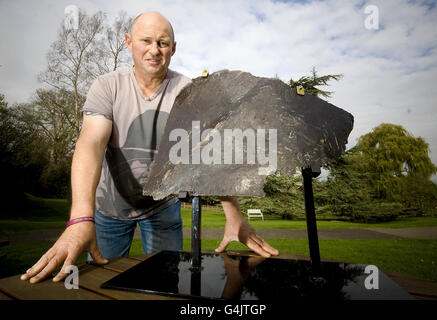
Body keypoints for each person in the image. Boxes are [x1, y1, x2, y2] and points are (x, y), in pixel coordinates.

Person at [21, 11, 278, 284]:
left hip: (162, 208)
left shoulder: (188, 92)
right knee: (100, 281)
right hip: (109, 208)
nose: (154, 50)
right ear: (128, 42)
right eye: (146, 41)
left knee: (166, 281)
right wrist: (80, 219)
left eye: (163, 43)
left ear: (174, 48)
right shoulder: (107, 87)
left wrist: (233, 213)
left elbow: (208, 154)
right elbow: (91, 144)